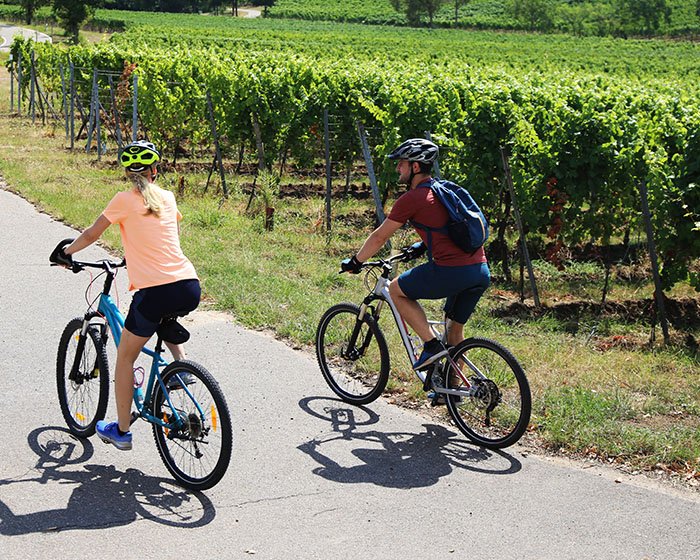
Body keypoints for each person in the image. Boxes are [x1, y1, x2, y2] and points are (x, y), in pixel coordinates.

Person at [51, 140, 200, 451]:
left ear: (127, 173)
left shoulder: (123, 199)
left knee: (125, 357)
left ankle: (121, 431)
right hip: (188, 284)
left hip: (157, 290)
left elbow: (93, 234)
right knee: (159, 316)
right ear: (155, 171)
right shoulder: (168, 198)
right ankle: (181, 368)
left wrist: (66, 252)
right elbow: (160, 239)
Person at [341, 138, 490, 378]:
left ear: (416, 167)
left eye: (402, 163)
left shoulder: (413, 198)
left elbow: (380, 237)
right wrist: (422, 245)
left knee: (397, 290)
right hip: (480, 270)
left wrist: (356, 261)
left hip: (451, 270)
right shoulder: (444, 190)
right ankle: (453, 390)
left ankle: (430, 345)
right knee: (454, 331)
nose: (398, 168)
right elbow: (449, 228)